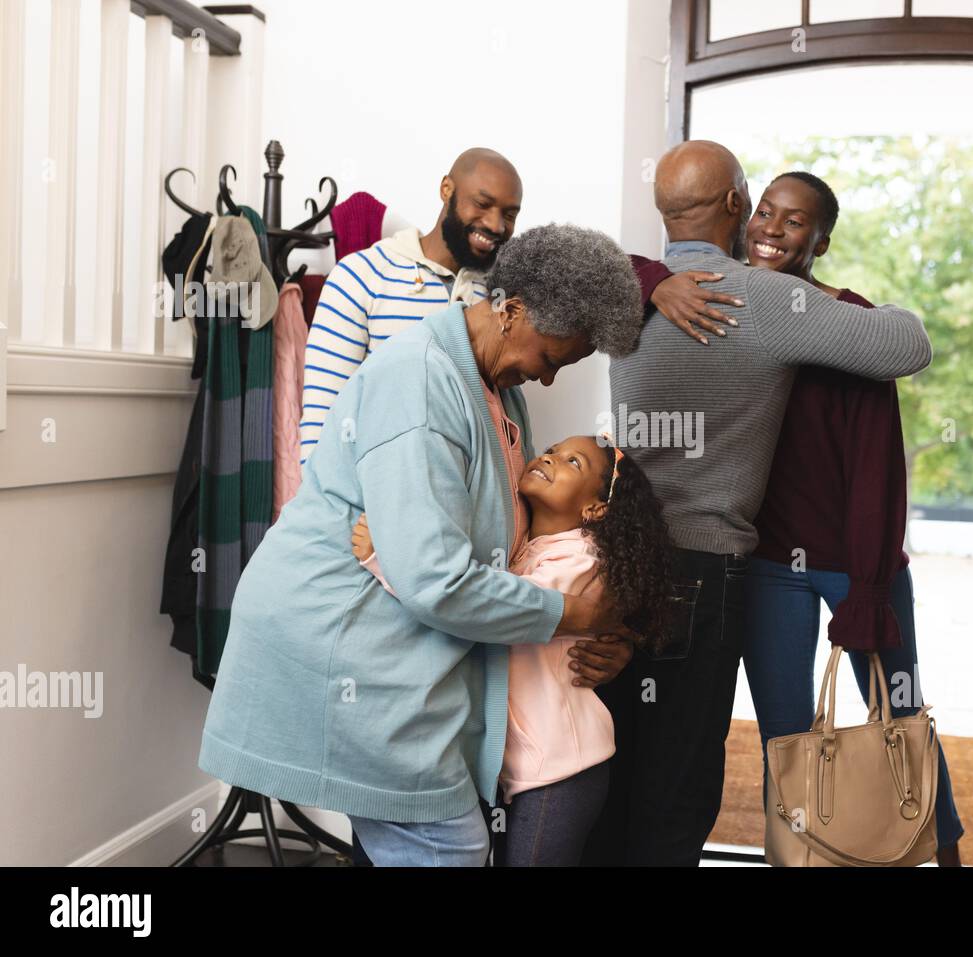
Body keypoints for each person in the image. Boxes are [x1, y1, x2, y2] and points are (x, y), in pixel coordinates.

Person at [198, 224, 645, 867]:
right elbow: (438, 581)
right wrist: (573, 615)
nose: (548, 380)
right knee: (447, 847)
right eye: (553, 358)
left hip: (398, 645)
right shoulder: (419, 381)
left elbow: (506, 546)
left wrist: (599, 628)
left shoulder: (500, 391)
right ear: (511, 311)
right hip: (338, 641)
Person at [590, 140, 932, 866]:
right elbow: (907, 345)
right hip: (703, 567)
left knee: (614, 754)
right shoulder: (767, 300)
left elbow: (567, 271)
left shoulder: (621, 291)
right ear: (738, 203)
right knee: (680, 779)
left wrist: (651, 278)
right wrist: (838, 300)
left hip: (613, 561)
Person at [352, 433, 675, 866]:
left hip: (562, 769)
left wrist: (385, 561)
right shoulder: (527, 547)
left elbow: (490, 610)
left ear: (595, 508)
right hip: (518, 767)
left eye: (573, 463)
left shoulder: (582, 560)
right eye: (553, 451)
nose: (551, 458)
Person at [300, 147, 521, 463]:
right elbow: (323, 420)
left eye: (509, 215)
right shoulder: (361, 276)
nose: (496, 225)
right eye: (482, 204)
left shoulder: (501, 297)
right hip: (375, 489)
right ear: (446, 189)